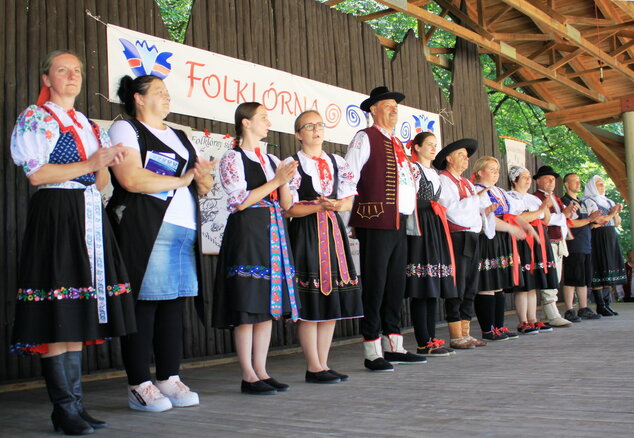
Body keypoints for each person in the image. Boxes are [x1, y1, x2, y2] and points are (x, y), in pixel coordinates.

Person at [9, 50, 136, 435]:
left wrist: (107, 164)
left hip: (87, 213)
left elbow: (98, 183)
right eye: (62, 70)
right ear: (47, 78)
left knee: (78, 309)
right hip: (56, 213)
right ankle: (63, 408)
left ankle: (75, 406)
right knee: (58, 307)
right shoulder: (36, 117)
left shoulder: (85, 122)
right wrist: (92, 162)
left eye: (77, 70)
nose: (72, 76)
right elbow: (37, 174)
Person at [108, 75, 214, 412]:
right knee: (145, 304)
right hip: (147, 226)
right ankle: (139, 383)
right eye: (158, 92)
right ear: (138, 99)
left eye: (168, 93)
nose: (167, 97)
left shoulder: (180, 135)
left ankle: (169, 377)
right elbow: (130, 178)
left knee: (173, 304)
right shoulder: (127, 130)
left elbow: (204, 185)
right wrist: (182, 179)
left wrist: (202, 176)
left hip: (184, 227)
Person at [212, 102, 300, 394]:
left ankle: (261, 370)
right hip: (248, 231)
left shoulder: (272, 158)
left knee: (266, 304)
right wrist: (276, 180)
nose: (268, 123)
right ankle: (248, 374)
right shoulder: (232, 158)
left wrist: (284, 181)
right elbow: (238, 201)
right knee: (248, 302)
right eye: (263, 118)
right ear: (245, 122)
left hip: (273, 229)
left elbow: (287, 205)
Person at [345, 86, 425, 371]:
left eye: (395, 106)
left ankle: (394, 346)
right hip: (376, 221)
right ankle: (371, 350)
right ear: (373, 110)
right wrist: (351, 219)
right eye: (388, 105)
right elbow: (348, 177)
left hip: (399, 222)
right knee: (376, 285)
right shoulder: (364, 138)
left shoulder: (398, 143)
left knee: (395, 286)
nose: (394, 109)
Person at [286, 110, 363, 383]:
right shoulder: (292, 163)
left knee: (331, 296)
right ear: (298, 134)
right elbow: (288, 209)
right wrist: (318, 205)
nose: (316, 130)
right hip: (306, 231)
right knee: (311, 297)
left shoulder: (337, 162)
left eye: (320, 125)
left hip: (332, 229)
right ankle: (313, 365)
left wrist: (338, 205)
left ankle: (323, 363)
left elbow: (352, 198)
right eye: (309, 126)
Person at [434, 139, 493, 349]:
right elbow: (451, 211)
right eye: (461, 154)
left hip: (472, 237)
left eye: (467, 155)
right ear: (448, 159)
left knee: (470, 285)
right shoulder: (443, 180)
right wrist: (474, 201)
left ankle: (466, 333)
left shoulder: (467, 183)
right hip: (457, 238)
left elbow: (472, 210)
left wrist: (482, 210)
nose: (466, 158)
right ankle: (456, 335)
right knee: (457, 286)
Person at [405, 132, 457, 357]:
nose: (434, 148)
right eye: (429, 144)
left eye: (436, 145)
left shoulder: (434, 173)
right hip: (420, 225)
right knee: (422, 286)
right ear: (416, 147)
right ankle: (422, 340)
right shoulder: (412, 169)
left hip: (435, 226)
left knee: (433, 283)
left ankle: (431, 337)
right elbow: (407, 199)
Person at [471, 157, 528, 341]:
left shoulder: (499, 191)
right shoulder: (477, 191)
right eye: (491, 169)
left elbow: (513, 213)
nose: (496, 173)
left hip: (501, 240)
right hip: (487, 239)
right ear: (480, 171)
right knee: (487, 284)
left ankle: (499, 326)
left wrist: (526, 227)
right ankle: (488, 329)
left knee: (498, 285)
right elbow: (487, 218)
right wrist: (511, 228)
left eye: (497, 170)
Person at [507, 166, 559, 334]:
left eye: (529, 176)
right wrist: (540, 210)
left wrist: (545, 207)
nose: (528, 180)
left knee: (534, 283)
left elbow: (546, 219)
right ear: (514, 180)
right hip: (522, 240)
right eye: (524, 177)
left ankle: (533, 319)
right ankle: (523, 321)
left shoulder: (533, 198)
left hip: (539, 238)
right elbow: (518, 218)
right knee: (524, 284)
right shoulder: (511, 196)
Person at [532, 166, 575, 327]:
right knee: (550, 277)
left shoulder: (555, 198)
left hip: (558, 241)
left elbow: (563, 218)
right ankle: (552, 314)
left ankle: (546, 314)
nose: (551, 181)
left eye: (553, 179)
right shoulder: (536, 197)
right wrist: (564, 215)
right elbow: (545, 219)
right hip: (547, 241)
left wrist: (567, 213)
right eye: (547, 178)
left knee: (555, 278)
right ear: (538, 180)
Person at [561, 174, 603, 320]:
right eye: (575, 181)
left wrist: (594, 222)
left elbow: (585, 222)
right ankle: (569, 309)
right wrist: (589, 220)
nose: (579, 184)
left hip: (585, 244)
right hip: (573, 244)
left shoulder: (582, 202)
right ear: (566, 184)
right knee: (572, 278)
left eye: (580, 181)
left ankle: (583, 308)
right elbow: (569, 224)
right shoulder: (565, 202)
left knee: (584, 279)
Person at [583, 175, 627, 316]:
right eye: (600, 184)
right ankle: (600, 304)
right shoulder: (589, 201)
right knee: (599, 267)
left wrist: (615, 213)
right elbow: (596, 221)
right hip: (598, 235)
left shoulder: (608, 201)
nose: (603, 187)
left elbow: (617, 222)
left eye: (603, 184)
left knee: (609, 267)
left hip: (610, 235)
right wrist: (611, 213)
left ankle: (607, 303)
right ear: (593, 186)